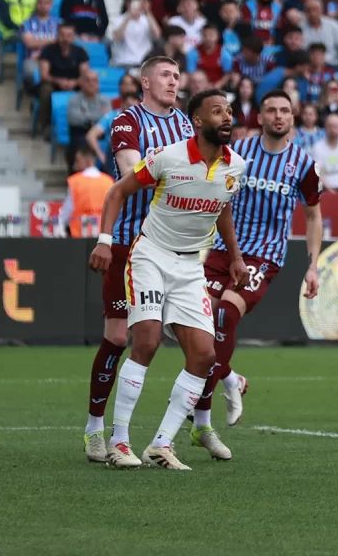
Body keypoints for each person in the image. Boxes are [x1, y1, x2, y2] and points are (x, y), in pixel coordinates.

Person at [88, 89, 248, 471]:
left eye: (229, 110)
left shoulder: (236, 166)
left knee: (205, 355)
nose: (227, 117)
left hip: (191, 267)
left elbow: (222, 208)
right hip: (150, 256)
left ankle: (161, 444)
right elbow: (118, 191)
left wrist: (236, 257)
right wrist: (105, 240)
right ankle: (119, 441)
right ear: (198, 121)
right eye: (217, 111)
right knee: (146, 341)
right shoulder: (167, 157)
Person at [79, 57, 196, 466]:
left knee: (190, 340)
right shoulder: (126, 121)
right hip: (129, 242)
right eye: (165, 75)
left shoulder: (186, 125)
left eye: (177, 76)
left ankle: (189, 427)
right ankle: (96, 429)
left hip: (172, 245)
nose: (173, 81)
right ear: (145, 81)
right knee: (117, 337)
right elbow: (132, 171)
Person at [195, 90, 321, 430]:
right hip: (223, 249)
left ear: (292, 117)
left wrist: (312, 265)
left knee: (224, 315)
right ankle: (230, 378)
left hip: (264, 256)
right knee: (194, 325)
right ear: (260, 117)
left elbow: (313, 216)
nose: (278, 116)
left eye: (285, 110)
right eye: (272, 110)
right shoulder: (239, 152)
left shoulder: (304, 164)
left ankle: (198, 402)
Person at [59, 146, 114, 236]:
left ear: (88, 160)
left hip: (79, 234)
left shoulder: (75, 181)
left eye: (78, 160)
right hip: (104, 234)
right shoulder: (108, 181)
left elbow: (67, 212)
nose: (74, 165)